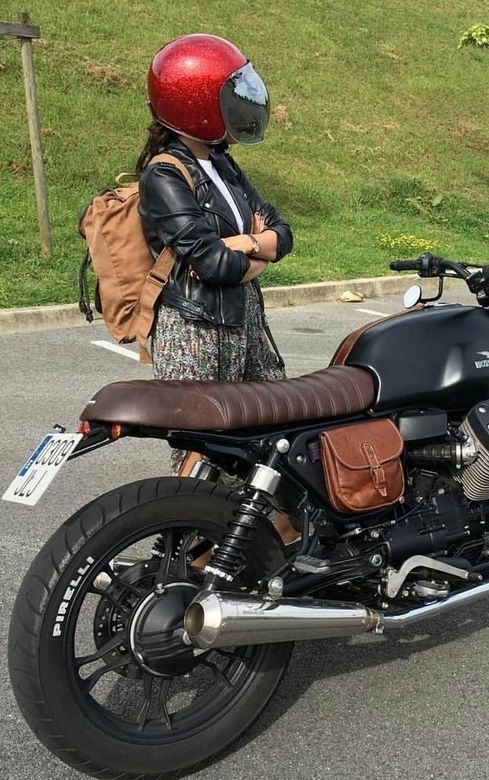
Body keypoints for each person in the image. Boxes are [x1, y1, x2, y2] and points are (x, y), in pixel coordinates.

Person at [136, 33, 298, 542]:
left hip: (245, 322)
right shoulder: (164, 175)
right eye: (231, 92)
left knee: (271, 429)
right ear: (198, 102)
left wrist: (244, 244)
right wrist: (256, 249)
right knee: (201, 447)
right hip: (196, 330)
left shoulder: (222, 162)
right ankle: (181, 546)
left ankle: (254, 536)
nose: (242, 103)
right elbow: (213, 263)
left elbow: (283, 233)